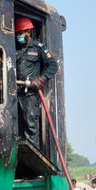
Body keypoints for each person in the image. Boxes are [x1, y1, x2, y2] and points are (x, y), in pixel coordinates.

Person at [14, 17, 58, 147]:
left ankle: (32, 161)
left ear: (29, 32)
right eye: (17, 34)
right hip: (16, 93)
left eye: (21, 33)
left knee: (30, 129)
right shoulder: (14, 49)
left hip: (30, 96)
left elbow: (53, 66)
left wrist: (41, 80)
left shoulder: (39, 48)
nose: (19, 36)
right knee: (18, 129)